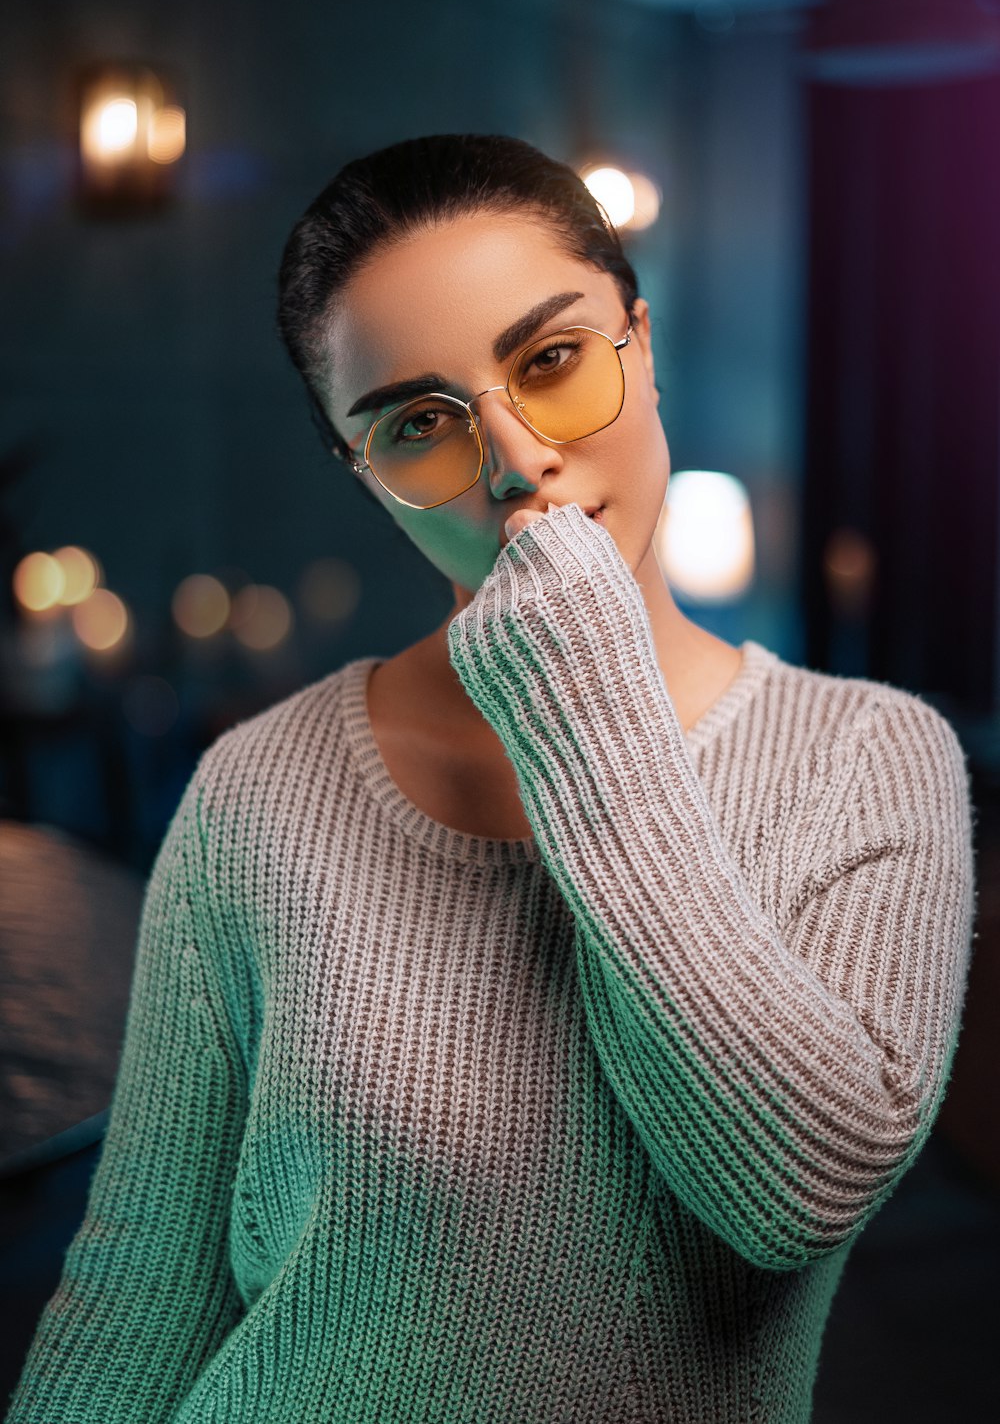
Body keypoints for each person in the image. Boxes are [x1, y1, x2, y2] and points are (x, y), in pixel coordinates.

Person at [7, 133, 976, 1423]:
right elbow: (139, 1292)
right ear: (368, 479)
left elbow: (797, 1189)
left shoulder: (873, 755)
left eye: (553, 361)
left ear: (641, 337)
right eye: (419, 424)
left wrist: (580, 702)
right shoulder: (258, 793)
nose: (517, 460)